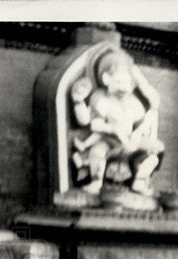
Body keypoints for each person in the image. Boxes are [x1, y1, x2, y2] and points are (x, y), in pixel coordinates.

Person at [71, 49, 165, 196]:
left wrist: (138, 133)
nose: (124, 87)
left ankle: (139, 181)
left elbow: (143, 123)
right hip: (109, 142)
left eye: (127, 83)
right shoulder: (101, 98)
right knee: (97, 151)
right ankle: (96, 181)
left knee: (155, 151)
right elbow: (95, 124)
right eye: (119, 81)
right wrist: (114, 129)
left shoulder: (133, 102)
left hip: (130, 143)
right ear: (106, 79)